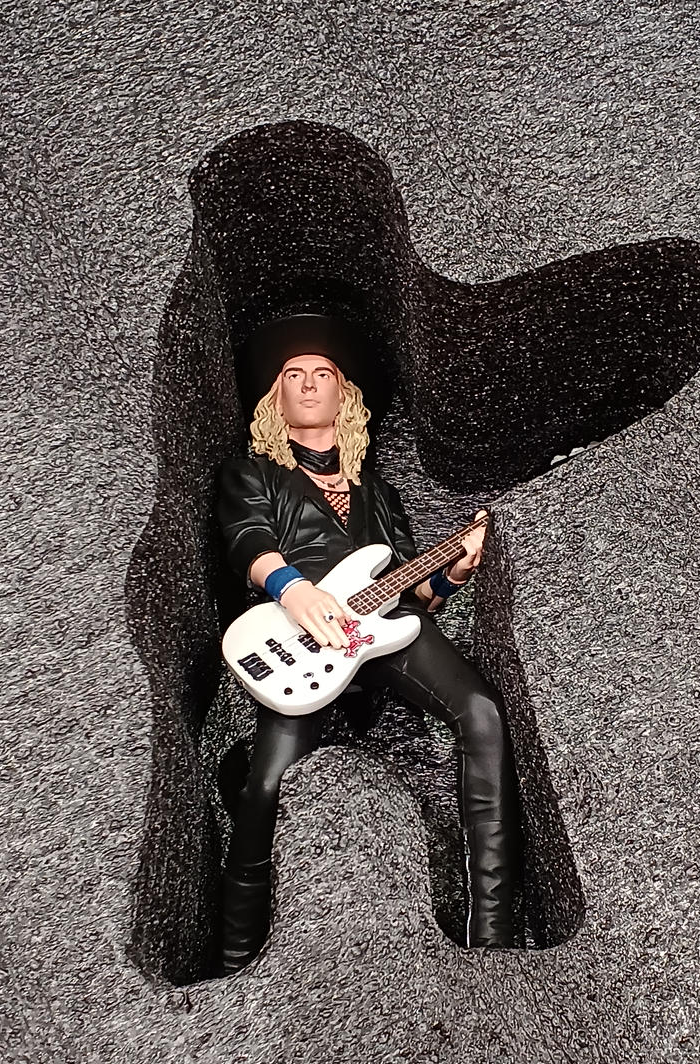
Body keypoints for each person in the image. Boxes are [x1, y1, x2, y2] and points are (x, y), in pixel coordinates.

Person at [212, 313, 522, 976]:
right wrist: (294, 590)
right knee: (268, 780)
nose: (307, 383)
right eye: (292, 374)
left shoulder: (378, 494)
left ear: (345, 394)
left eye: (322, 373)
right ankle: (235, 957)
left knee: (482, 712)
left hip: (382, 627)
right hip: (301, 633)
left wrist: (453, 572)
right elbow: (247, 541)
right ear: (275, 398)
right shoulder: (252, 474)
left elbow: (413, 593)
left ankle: (493, 931)